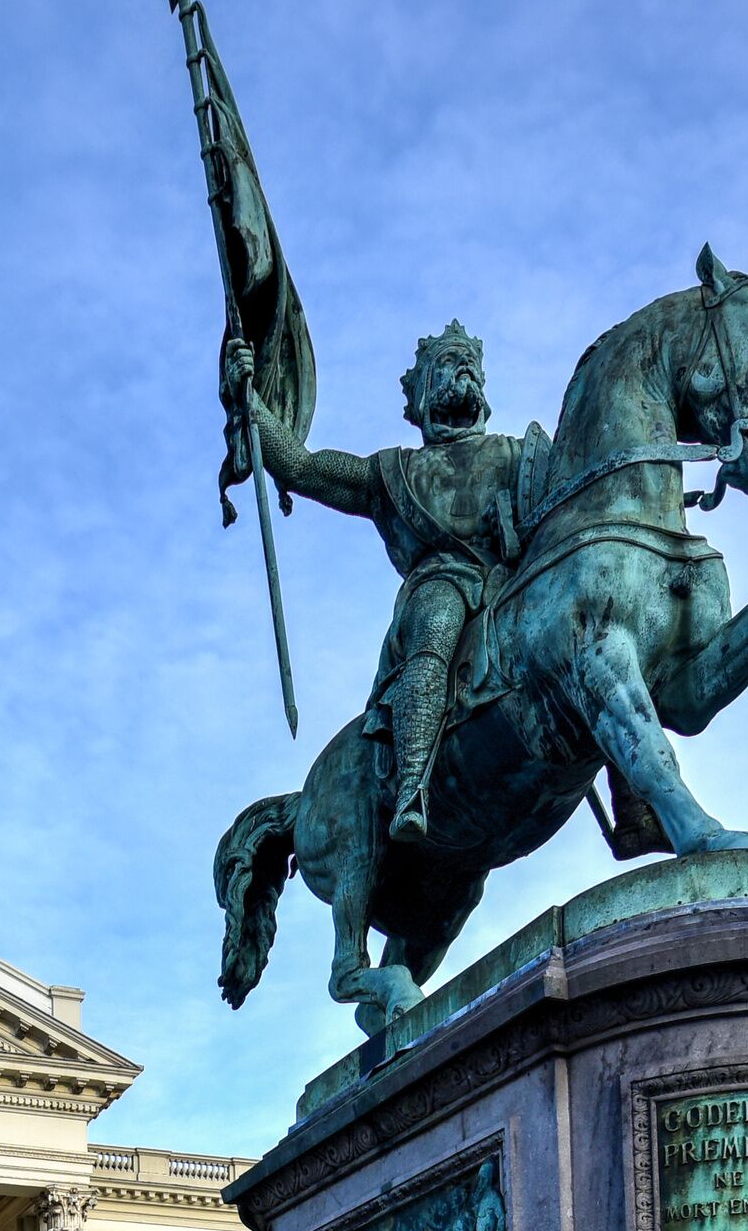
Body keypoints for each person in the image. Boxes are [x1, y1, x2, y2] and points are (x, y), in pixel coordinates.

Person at [229, 321, 535, 845]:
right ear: (420, 400)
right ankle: (413, 784)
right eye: (446, 363)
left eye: (468, 361)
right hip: (442, 583)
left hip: (515, 582)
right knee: (436, 622)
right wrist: (251, 402)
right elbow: (303, 468)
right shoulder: (393, 473)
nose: (461, 368)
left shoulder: (520, 455)